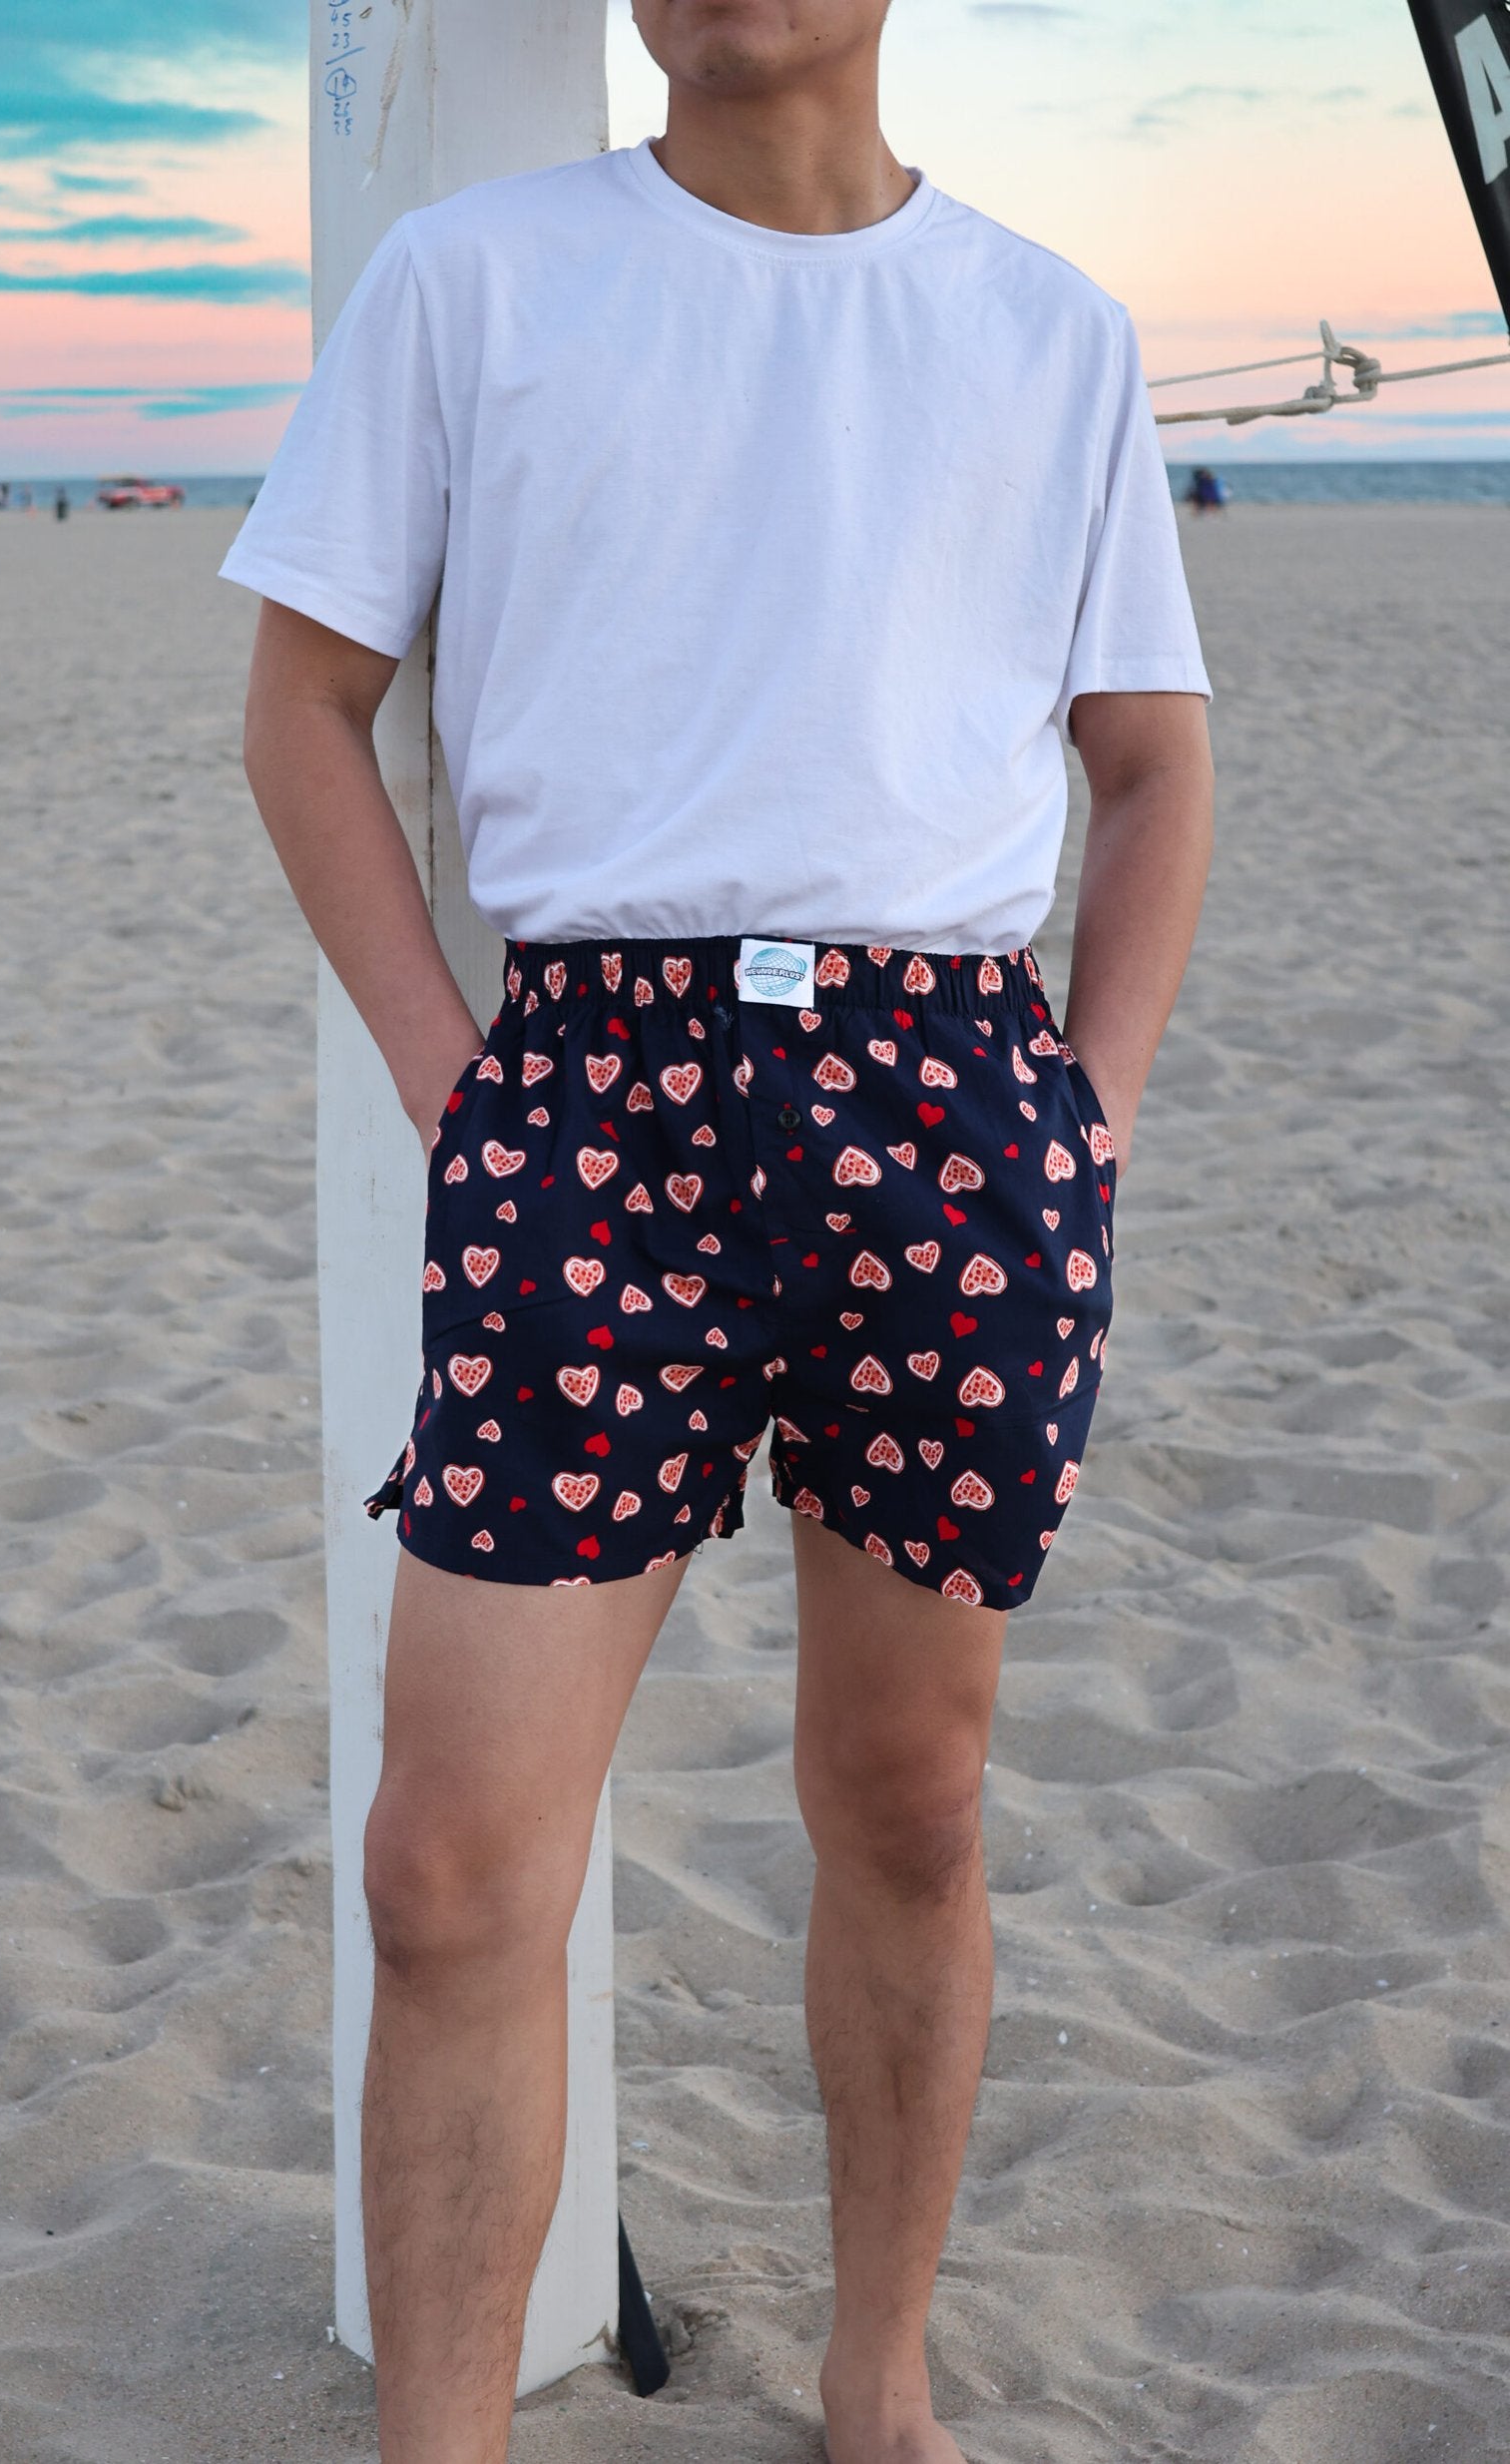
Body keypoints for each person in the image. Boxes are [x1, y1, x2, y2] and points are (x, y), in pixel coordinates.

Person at [219, 4, 1214, 2458]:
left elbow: (1150, 755)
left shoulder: (1041, 326)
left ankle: (876, 2377)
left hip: (946, 1098)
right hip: (590, 1097)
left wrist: (1080, 1115)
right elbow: (299, 704)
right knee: (448, 1860)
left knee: (906, 1795)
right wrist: (467, 1089)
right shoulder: (470, 281)